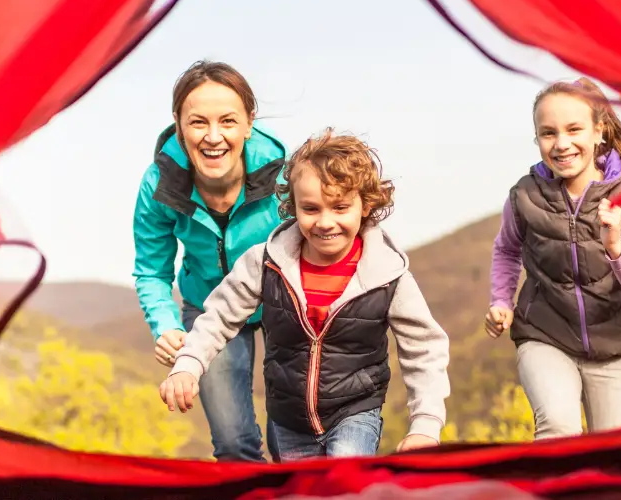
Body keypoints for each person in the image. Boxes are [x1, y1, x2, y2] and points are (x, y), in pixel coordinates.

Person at [158, 129, 451, 462]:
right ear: (292, 205)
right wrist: (188, 365)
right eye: (311, 209)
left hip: (354, 410)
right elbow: (220, 316)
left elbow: (424, 348)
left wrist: (425, 425)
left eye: (340, 207)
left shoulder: (387, 275)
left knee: (343, 487)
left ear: (366, 205)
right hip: (289, 419)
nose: (326, 222)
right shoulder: (267, 261)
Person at [484, 78, 621, 441]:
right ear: (537, 139)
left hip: (617, 347)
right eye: (548, 133)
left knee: (614, 458)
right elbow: (506, 249)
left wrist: (616, 247)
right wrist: (501, 300)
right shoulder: (524, 196)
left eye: (574, 129)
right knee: (557, 428)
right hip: (545, 336)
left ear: (599, 131)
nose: (562, 143)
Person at [132, 60, 287, 462]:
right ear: (179, 125)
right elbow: (151, 269)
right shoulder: (160, 184)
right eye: (198, 122)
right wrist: (165, 326)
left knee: (289, 441)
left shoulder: (284, 178)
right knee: (234, 444)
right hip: (207, 309)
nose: (213, 137)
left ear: (249, 124)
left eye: (228, 121)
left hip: (282, 307)